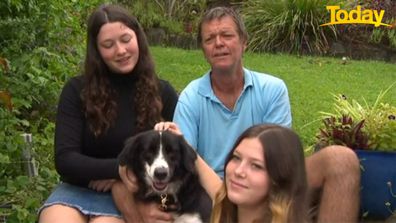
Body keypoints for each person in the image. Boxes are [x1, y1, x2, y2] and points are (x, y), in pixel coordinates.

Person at [172, 6, 360, 223]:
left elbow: (280, 159)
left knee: (341, 160)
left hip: (271, 178)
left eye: (227, 35)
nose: (219, 43)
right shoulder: (191, 98)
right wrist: (224, 190)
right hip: (213, 189)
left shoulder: (272, 89)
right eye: (209, 39)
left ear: (244, 42)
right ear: (203, 50)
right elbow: (186, 168)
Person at [38, 4, 178, 223]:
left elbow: (176, 157)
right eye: (108, 45)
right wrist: (119, 169)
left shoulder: (163, 93)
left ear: (138, 39)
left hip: (136, 193)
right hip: (78, 189)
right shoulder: (76, 91)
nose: (120, 50)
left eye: (125, 39)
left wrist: (121, 179)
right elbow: (65, 159)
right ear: (97, 51)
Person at [155, 122, 309, 223]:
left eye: (256, 166)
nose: (239, 171)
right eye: (236, 158)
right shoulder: (227, 210)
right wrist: (182, 143)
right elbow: (217, 189)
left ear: (280, 178)